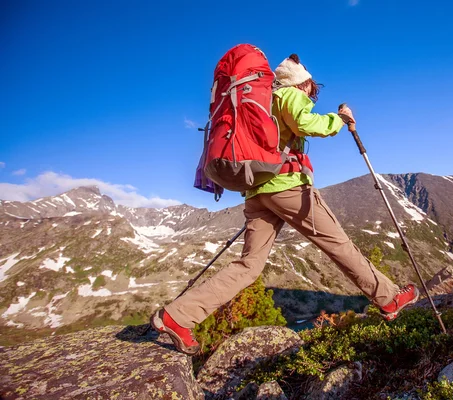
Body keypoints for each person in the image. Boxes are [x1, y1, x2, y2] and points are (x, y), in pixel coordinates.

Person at [151, 54, 419, 354]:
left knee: (248, 266)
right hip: (288, 187)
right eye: (310, 87)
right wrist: (339, 120)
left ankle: (178, 316)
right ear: (302, 82)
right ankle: (389, 298)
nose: (311, 92)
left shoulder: (263, 101)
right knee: (338, 244)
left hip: (256, 191)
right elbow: (307, 124)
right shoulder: (289, 94)